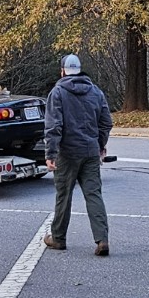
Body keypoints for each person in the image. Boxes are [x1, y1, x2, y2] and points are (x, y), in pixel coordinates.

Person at [42, 54, 113, 256]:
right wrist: (100, 144)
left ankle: (58, 238)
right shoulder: (95, 91)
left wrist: (51, 153)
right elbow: (106, 122)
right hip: (90, 151)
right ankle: (102, 239)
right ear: (80, 70)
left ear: (62, 71)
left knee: (64, 196)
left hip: (67, 153)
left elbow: (54, 126)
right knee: (93, 194)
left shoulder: (57, 93)